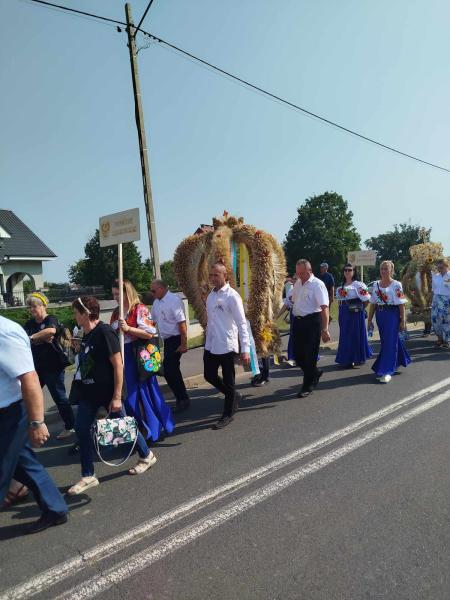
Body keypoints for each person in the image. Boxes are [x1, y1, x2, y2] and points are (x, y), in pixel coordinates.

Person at [68, 296, 156, 496]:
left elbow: (118, 364)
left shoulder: (104, 332)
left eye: (76, 312)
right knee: (81, 429)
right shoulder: (87, 335)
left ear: (85, 313)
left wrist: (116, 396)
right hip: (89, 393)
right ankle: (88, 475)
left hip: (108, 394)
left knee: (124, 427)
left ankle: (147, 455)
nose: (74, 316)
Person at [0, 315, 68, 533]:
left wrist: (37, 422)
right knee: (24, 463)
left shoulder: (5, 332)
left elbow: (29, 378)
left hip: (9, 414)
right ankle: (54, 508)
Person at [111, 280, 174, 441]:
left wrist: (129, 328)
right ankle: (139, 430)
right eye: (113, 294)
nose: (115, 297)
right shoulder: (116, 313)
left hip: (139, 356)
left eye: (118, 294)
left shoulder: (140, 309)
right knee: (129, 397)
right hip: (123, 357)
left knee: (147, 393)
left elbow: (150, 333)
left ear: (127, 293)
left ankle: (153, 429)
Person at [203, 263, 250, 429]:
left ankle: (228, 413)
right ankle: (233, 395)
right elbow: (211, 321)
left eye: (216, 275)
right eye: (212, 275)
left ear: (225, 276)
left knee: (229, 380)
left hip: (227, 344)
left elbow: (241, 323)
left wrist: (245, 349)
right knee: (209, 375)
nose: (213, 278)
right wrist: (206, 341)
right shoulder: (211, 296)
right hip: (212, 343)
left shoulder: (232, 296)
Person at [23, 293, 75, 439]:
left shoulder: (50, 319)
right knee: (28, 396)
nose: (32, 309)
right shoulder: (29, 324)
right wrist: (40, 337)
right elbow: (24, 338)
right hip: (36, 367)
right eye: (30, 306)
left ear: (43, 305)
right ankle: (29, 427)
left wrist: (32, 338)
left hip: (53, 366)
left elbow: (51, 331)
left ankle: (70, 426)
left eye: (34, 306)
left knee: (59, 397)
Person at [367, 260, 411, 383]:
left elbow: (401, 304)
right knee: (388, 341)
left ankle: (386, 371)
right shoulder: (375, 284)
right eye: (382, 269)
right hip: (380, 316)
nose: (384, 271)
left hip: (392, 315)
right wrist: (369, 320)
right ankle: (399, 360)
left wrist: (403, 320)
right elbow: (373, 304)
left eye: (386, 268)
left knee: (389, 343)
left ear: (391, 270)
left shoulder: (396, 284)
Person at [150, 279, 191, 412]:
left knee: (169, 369)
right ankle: (182, 398)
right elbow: (152, 323)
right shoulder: (156, 303)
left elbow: (182, 324)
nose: (152, 293)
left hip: (176, 338)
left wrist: (184, 343)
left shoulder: (174, 300)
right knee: (171, 370)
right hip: (167, 341)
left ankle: (182, 398)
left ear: (162, 288)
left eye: (154, 290)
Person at [292, 259, 330, 398]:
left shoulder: (317, 285)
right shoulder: (297, 283)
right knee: (297, 355)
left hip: (312, 322)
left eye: (302, 273)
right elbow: (293, 300)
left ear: (309, 270)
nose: (300, 276)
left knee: (310, 356)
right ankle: (314, 372)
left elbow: (324, 308)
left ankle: (307, 385)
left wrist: (325, 329)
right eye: (298, 273)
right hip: (298, 322)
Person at [335, 263, 373, 368]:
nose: (347, 272)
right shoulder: (341, 285)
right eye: (345, 270)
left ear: (354, 271)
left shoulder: (358, 285)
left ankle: (355, 358)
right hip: (343, 312)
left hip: (355, 313)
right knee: (344, 335)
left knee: (354, 335)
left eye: (350, 270)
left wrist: (360, 309)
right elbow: (339, 301)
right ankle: (345, 358)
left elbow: (367, 300)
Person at [431, 258, 450, 349]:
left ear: (446, 265)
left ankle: (446, 341)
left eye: (441, 264)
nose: (439, 266)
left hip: (447, 300)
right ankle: (439, 339)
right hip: (436, 299)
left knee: (446, 321)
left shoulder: (449, 275)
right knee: (435, 319)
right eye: (438, 264)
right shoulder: (435, 276)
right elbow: (434, 289)